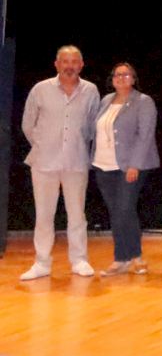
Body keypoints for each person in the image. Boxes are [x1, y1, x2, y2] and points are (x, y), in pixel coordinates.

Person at [20, 45, 99, 281]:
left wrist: (77, 145)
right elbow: (28, 124)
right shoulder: (40, 89)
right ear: (56, 64)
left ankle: (79, 260)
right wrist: (43, 145)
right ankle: (41, 263)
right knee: (44, 215)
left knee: (77, 215)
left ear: (81, 65)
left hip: (76, 161)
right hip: (44, 162)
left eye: (74, 62)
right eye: (65, 61)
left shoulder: (91, 91)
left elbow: (92, 126)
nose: (69, 66)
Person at [94, 63, 159, 276]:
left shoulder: (143, 101)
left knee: (124, 209)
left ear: (133, 78)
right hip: (103, 164)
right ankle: (121, 259)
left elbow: (145, 135)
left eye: (126, 74)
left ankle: (136, 257)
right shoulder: (105, 100)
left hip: (129, 166)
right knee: (117, 212)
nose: (121, 78)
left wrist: (135, 164)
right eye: (117, 75)